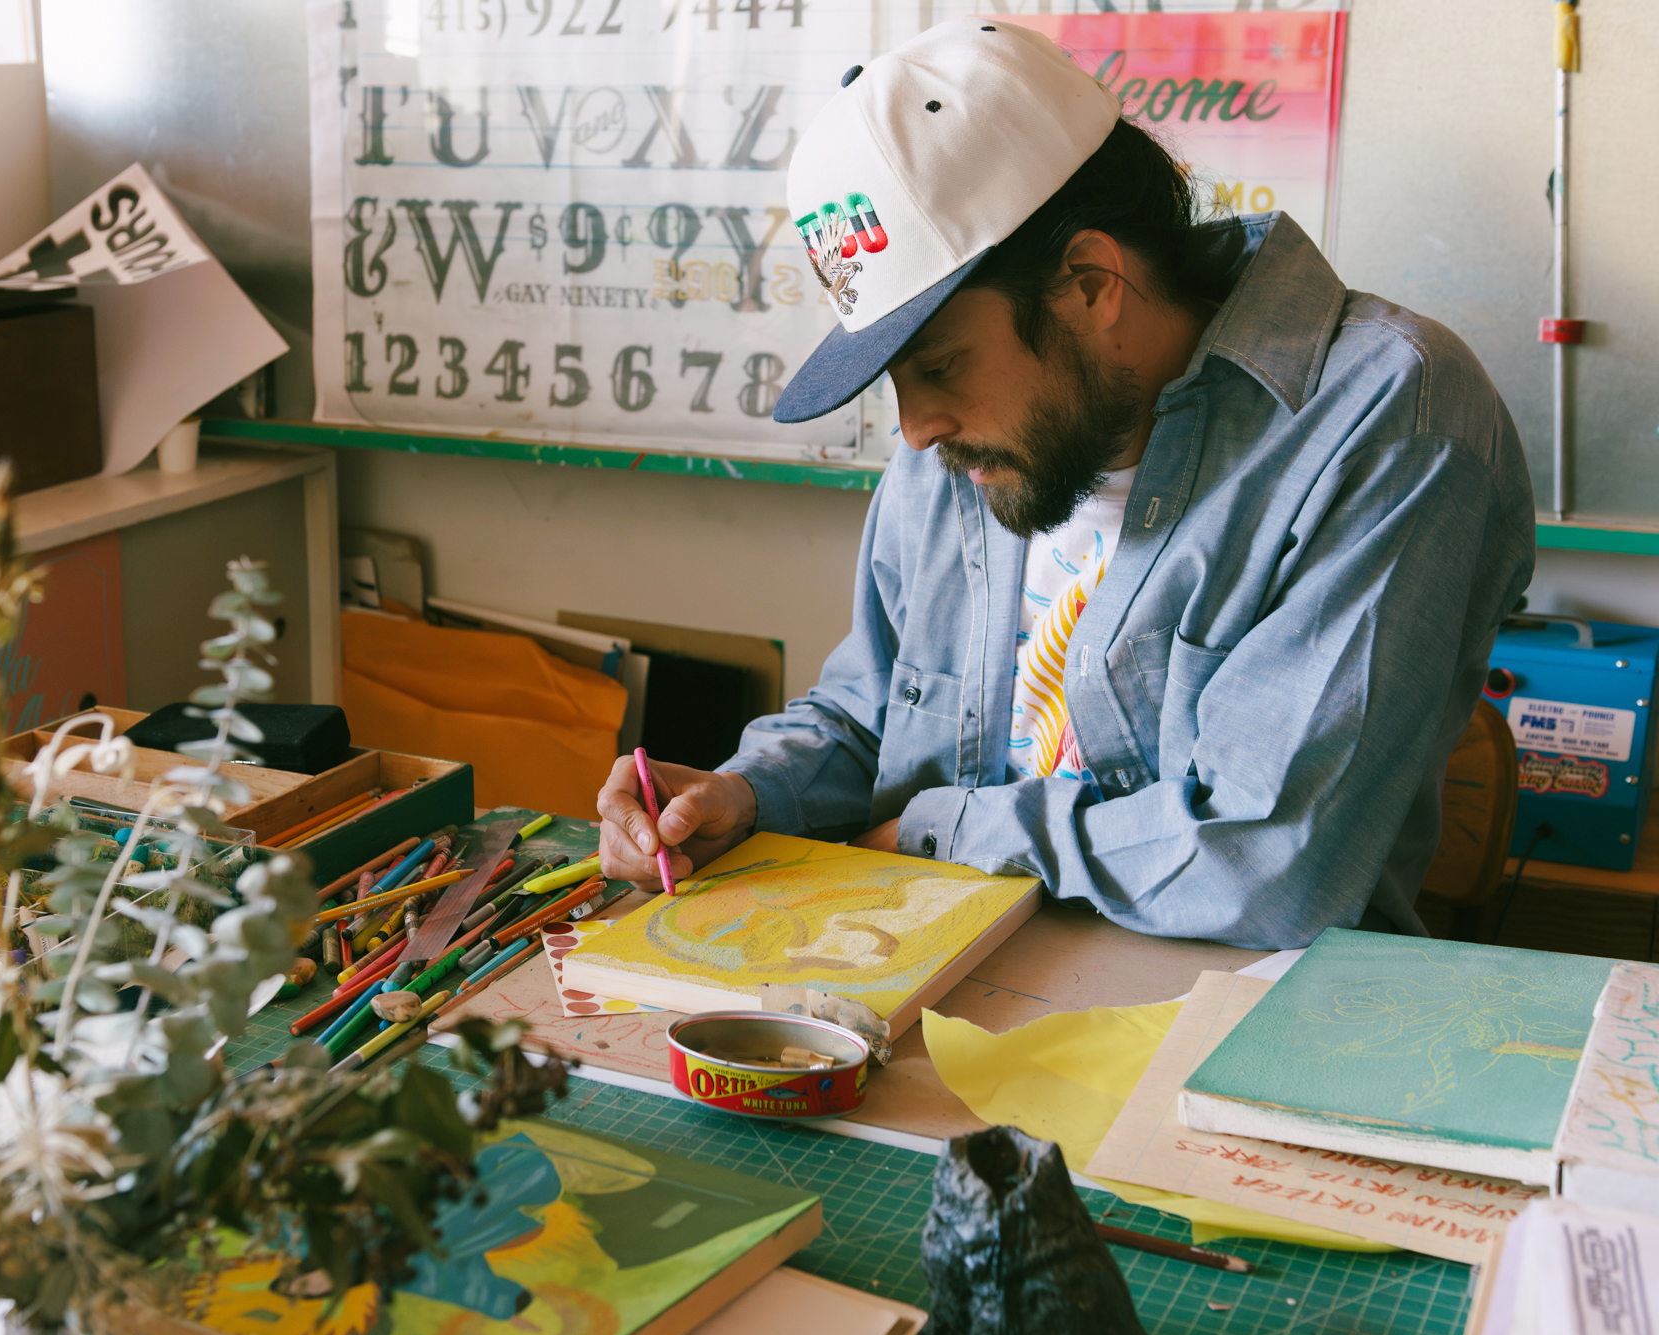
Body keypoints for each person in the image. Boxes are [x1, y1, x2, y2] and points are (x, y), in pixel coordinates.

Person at [595, 19, 1533, 950]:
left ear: (1089, 283)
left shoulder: (1391, 417)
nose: (915, 431)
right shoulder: (963, 448)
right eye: (895, 384)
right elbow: (871, 709)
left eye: (943, 364)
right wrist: (745, 791)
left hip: (1218, 1028)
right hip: (920, 968)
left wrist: (947, 831)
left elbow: (1267, 858)